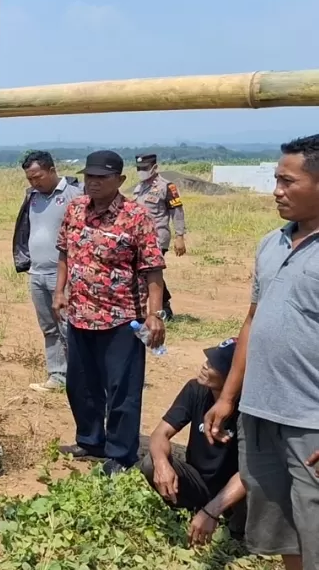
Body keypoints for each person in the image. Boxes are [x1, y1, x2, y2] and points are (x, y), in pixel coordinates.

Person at [204, 134, 319, 570]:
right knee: (285, 528)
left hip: (312, 422)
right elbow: (252, 321)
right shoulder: (271, 243)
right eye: (276, 179)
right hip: (262, 412)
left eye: (288, 182)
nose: (276, 191)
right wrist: (229, 398)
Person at [52, 150, 166, 475]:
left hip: (122, 319)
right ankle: (90, 440)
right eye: (90, 176)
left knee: (122, 390)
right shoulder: (75, 210)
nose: (94, 183)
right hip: (80, 315)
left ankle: (120, 453)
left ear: (120, 180)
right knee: (81, 385)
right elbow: (64, 253)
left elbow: (153, 271)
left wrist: (154, 315)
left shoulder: (136, 216)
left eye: (102, 177)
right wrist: (59, 292)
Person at [139, 337, 245, 547]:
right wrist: (162, 465)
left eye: (215, 365)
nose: (206, 365)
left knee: (260, 485)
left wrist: (214, 509)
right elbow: (160, 434)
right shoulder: (195, 389)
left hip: (233, 493)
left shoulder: (248, 411)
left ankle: (236, 533)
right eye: (209, 359)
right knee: (150, 463)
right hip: (199, 481)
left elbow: (251, 472)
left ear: (234, 377)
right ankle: (191, 510)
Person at [12, 150, 83, 393]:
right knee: (49, 327)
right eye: (30, 178)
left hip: (64, 274)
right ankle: (57, 375)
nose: (34, 182)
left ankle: (80, 378)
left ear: (52, 170)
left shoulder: (75, 193)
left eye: (38, 177)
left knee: (69, 326)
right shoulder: (32, 196)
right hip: (37, 273)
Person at [133, 154, 186, 320]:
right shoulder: (139, 188)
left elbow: (177, 211)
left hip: (157, 238)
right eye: (139, 168)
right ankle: (163, 305)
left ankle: (161, 309)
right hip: (139, 238)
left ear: (154, 167)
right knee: (146, 273)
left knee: (148, 272)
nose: (141, 171)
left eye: (145, 168)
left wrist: (180, 236)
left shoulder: (166, 187)